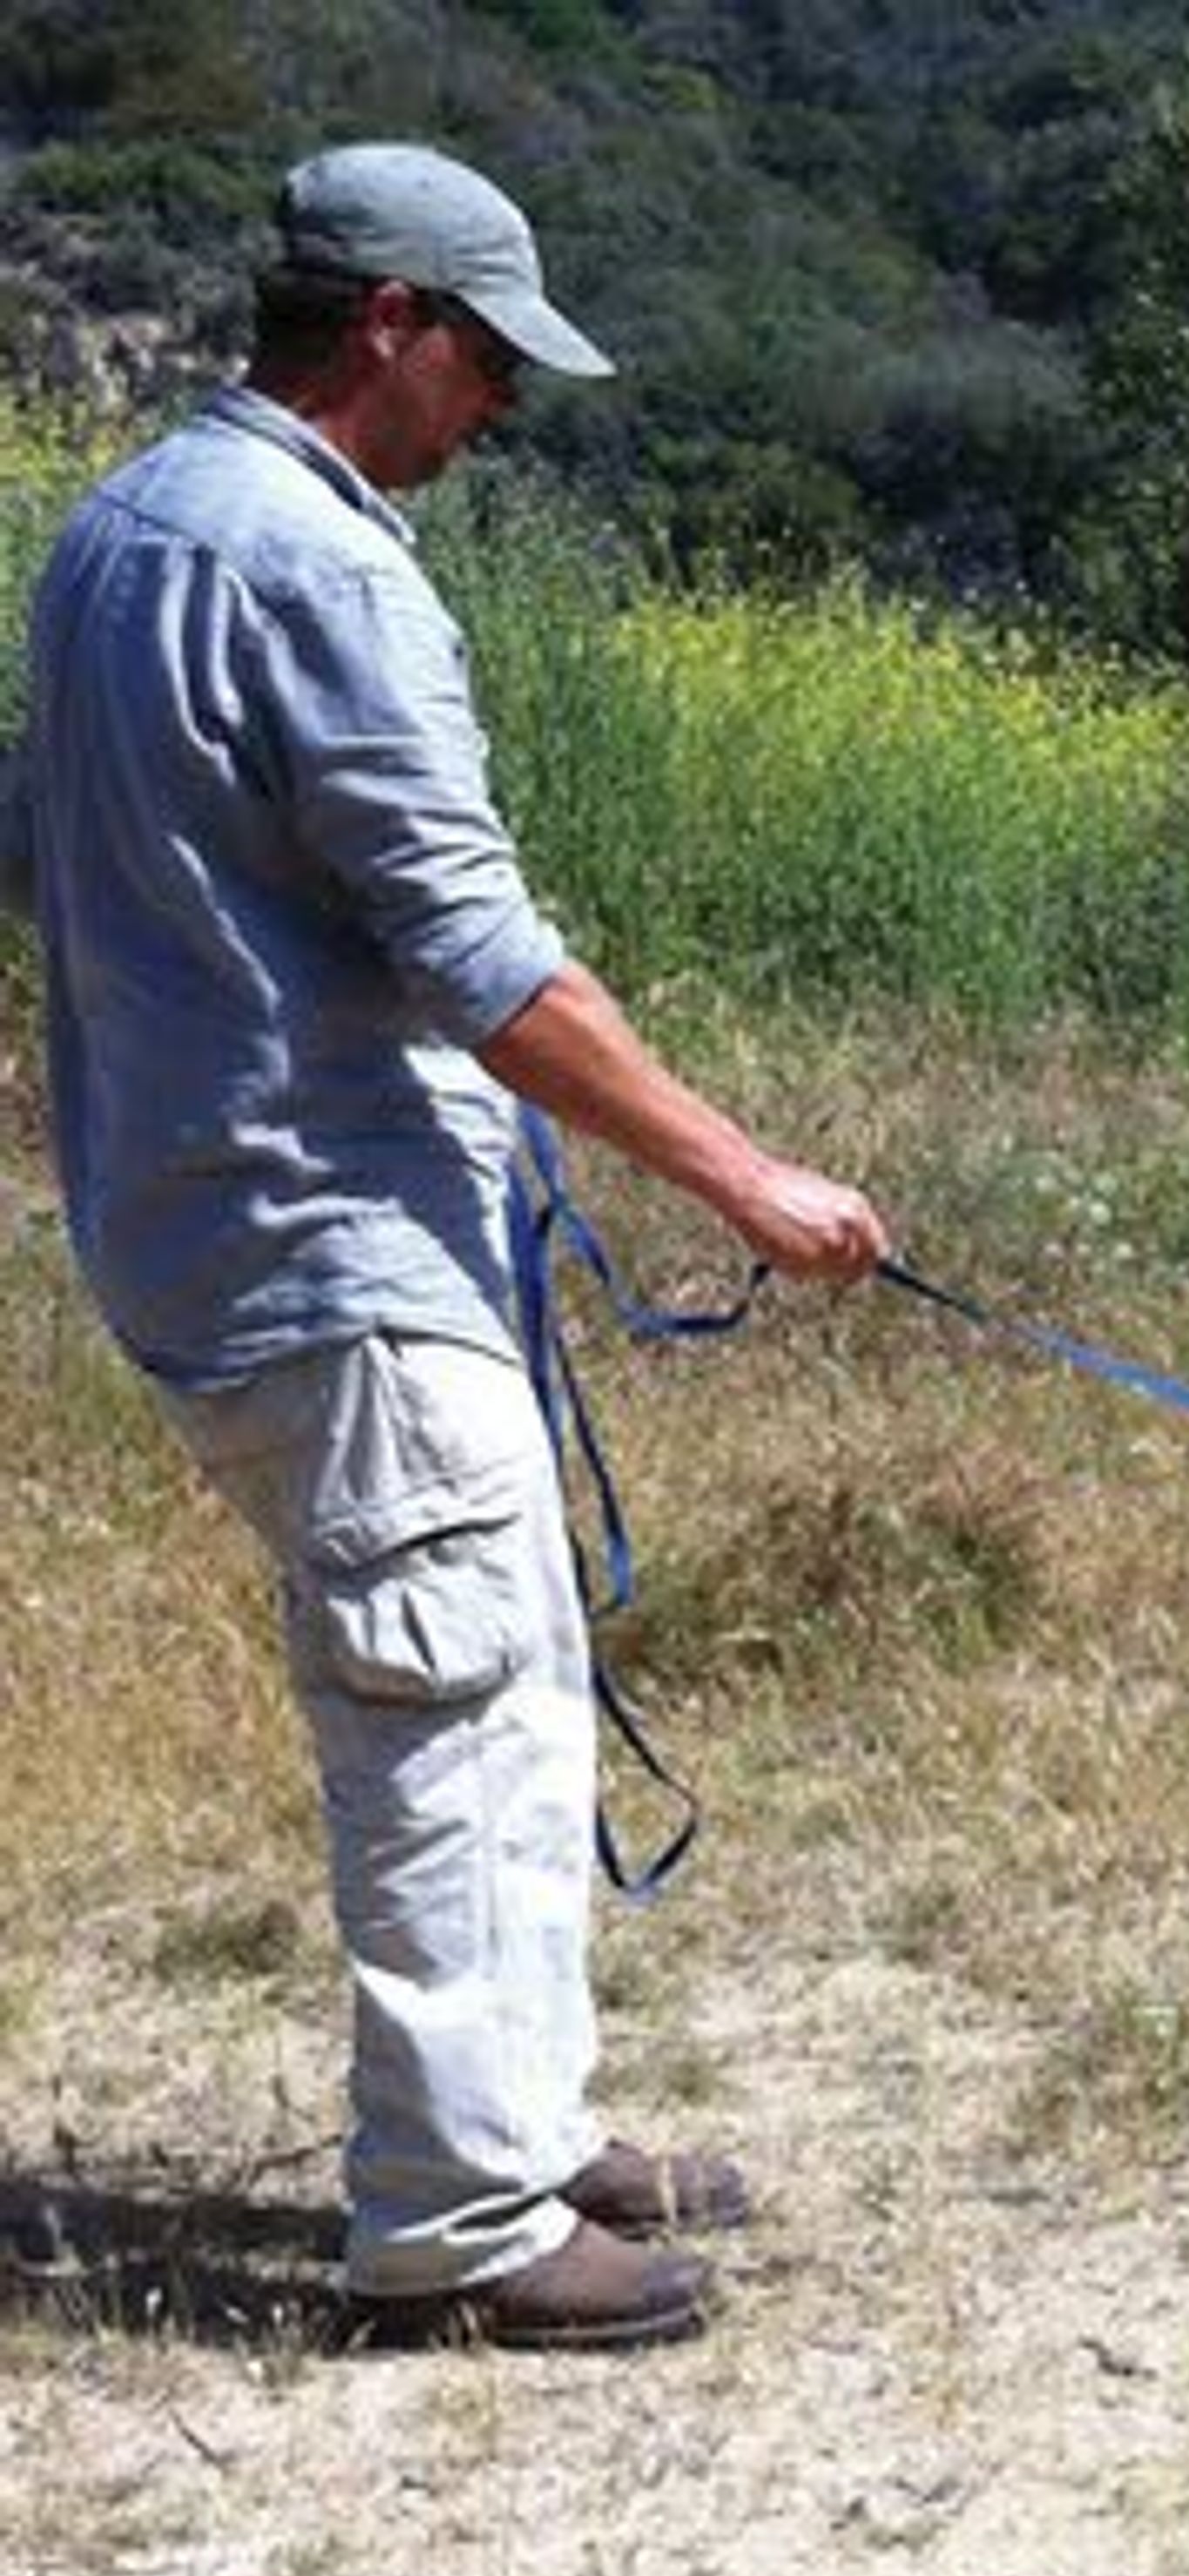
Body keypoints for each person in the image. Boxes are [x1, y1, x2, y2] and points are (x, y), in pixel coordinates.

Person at [3, 144, 890, 2348]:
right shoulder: (321, 575)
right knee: (440, 1704)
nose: (500, 408)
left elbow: (60, 862)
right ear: (388, 322)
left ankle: (524, 2124)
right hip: (329, 1247)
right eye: (488, 360)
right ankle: (457, 2230)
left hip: (222, 1231)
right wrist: (749, 1181)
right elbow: (482, 954)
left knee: (507, 1679)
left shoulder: (114, 533)